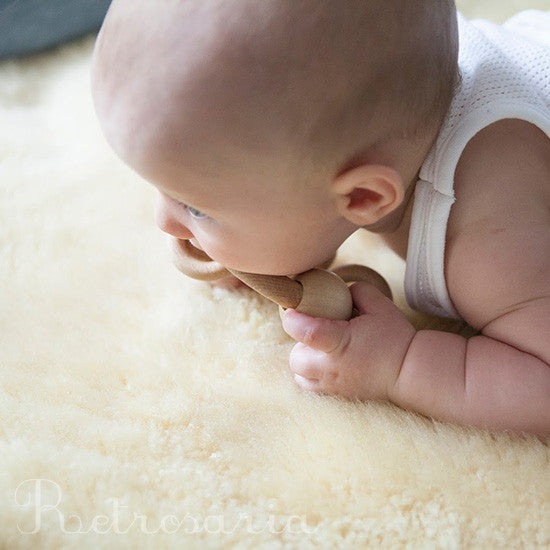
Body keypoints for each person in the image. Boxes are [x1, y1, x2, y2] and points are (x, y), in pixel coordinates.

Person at [90, 0, 550, 436]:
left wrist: (403, 365)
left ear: (366, 196)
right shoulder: (393, 86)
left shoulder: (488, 246)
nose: (163, 222)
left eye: (195, 207)